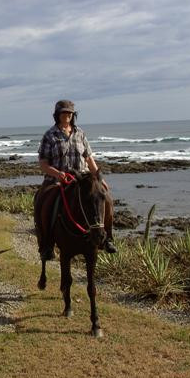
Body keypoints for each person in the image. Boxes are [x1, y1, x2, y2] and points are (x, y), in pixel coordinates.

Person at [34, 99, 117, 260]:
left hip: (83, 178)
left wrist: (100, 178)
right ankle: (46, 244)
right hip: (58, 179)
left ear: (73, 115)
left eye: (69, 113)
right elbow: (43, 163)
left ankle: (108, 238)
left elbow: (89, 158)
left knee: (106, 198)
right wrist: (57, 173)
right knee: (44, 201)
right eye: (63, 112)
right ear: (57, 115)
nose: (67, 115)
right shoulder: (50, 135)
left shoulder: (80, 133)